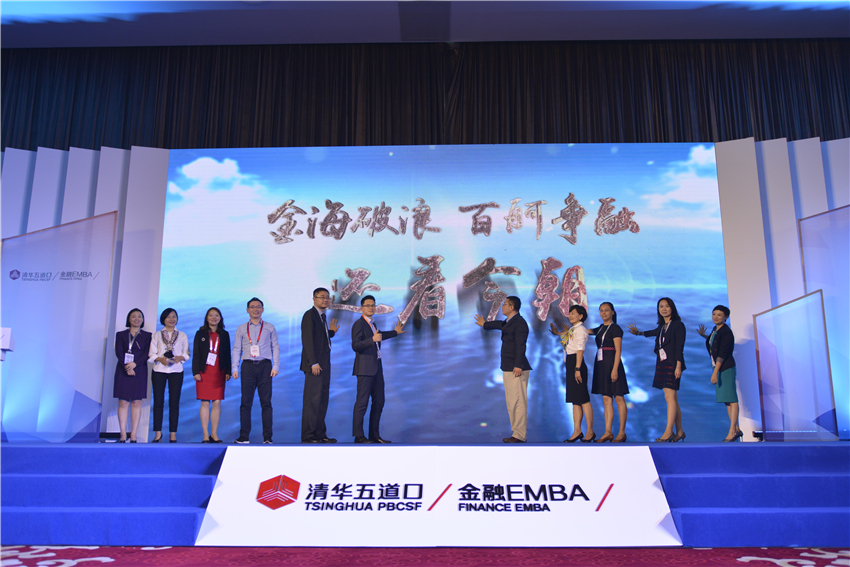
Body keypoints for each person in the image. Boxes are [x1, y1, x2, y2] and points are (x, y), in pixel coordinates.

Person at [475, 295, 533, 443]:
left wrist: (518, 365)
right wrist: (485, 324)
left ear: (512, 307)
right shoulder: (510, 322)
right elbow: (499, 324)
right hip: (508, 367)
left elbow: (521, 345)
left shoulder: (520, 323)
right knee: (512, 402)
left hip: (516, 368)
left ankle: (519, 435)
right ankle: (516, 433)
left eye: (505, 304)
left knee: (518, 402)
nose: (502, 306)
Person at [628, 297, 687, 442]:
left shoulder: (678, 325)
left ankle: (668, 432)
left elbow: (679, 347)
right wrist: (638, 333)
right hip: (662, 363)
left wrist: (678, 366)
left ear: (672, 308)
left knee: (670, 398)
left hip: (672, 364)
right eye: (661, 306)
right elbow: (653, 332)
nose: (664, 309)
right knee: (672, 398)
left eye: (667, 306)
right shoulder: (662, 326)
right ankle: (679, 431)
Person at [351, 295, 406, 443]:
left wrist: (395, 332)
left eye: (373, 305)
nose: (371, 308)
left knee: (379, 402)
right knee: (362, 403)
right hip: (364, 370)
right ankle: (359, 436)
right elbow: (355, 345)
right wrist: (372, 340)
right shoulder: (359, 324)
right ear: (361, 308)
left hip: (376, 369)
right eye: (367, 305)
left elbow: (379, 336)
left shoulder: (372, 324)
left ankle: (374, 436)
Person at [232, 297, 280, 444]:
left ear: (263, 310)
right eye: (252, 307)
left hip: (265, 366)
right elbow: (237, 349)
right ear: (247, 310)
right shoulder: (241, 328)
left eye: (258, 307)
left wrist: (276, 366)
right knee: (245, 403)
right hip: (247, 366)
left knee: (266, 403)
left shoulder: (270, 327)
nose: (255, 309)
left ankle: (268, 437)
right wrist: (235, 368)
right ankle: (244, 437)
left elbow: (275, 347)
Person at [550, 305, 595, 443]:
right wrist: (557, 333)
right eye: (570, 313)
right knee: (575, 400)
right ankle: (577, 431)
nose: (570, 315)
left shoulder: (580, 330)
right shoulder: (573, 329)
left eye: (573, 313)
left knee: (584, 399)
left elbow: (580, 350)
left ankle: (590, 431)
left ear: (581, 316)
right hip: (570, 362)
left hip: (576, 363)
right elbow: (569, 340)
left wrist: (577, 369)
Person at [300, 288, 339, 443]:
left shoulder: (322, 316)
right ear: (314, 299)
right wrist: (313, 363)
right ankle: (308, 436)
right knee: (312, 401)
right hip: (314, 366)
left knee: (322, 400)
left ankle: (320, 434)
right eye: (322, 297)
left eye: (327, 297)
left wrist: (331, 333)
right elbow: (308, 340)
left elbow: (320, 337)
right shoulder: (309, 315)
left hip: (324, 365)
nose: (325, 300)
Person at [697, 305, 741, 442]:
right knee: (727, 400)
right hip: (718, 367)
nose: (716, 317)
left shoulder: (726, 332)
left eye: (719, 315)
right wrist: (705, 336)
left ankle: (732, 431)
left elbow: (722, 353)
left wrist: (715, 373)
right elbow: (715, 342)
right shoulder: (716, 330)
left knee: (732, 399)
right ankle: (736, 429)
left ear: (725, 317)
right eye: (714, 314)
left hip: (725, 368)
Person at [589, 302, 629, 443]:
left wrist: (615, 369)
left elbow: (618, 351)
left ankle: (622, 433)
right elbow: (585, 331)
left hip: (613, 364)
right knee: (606, 399)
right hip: (601, 365)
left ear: (613, 312)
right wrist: (570, 328)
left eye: (606, 310)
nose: (604, 313)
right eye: (601, 310)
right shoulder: (600, 328)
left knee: (619, 398)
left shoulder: (616, 328)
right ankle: (608, 432)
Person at [149, 308, 190, 443]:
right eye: (168, 317)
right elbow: (151, 354)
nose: (172, 319)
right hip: (159, 370)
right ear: (163, 319)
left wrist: (180, 357)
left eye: (174, 316)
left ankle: (173, 433)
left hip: (176, 371)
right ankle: (158, 433)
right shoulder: (157, 335)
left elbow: (187, 354)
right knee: (158, 402)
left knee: (174, 402)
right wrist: (160, 359)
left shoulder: (182, 335)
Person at [192, 307, 231, 443]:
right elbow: (196, 353)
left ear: (220, 318)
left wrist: (228, 371)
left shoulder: (224, 334)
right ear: (206, 318)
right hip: (204, 371)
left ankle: (214, 434)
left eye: (216, 315)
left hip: (219, 371)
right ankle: (205, 434)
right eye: (211, 315)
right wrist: (195, 372)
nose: (214, 318)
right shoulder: (200, 333)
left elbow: (227, 354)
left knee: (217, 402)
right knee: (204, 402)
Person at [113, 308, 152, 443]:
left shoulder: (147, 335)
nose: (136, 319)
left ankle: (134, 434)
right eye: (133, 316)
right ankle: (123, 434)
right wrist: (127, 366)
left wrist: (135, 364)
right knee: (123, 402)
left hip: (139, 370)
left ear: (142, 319)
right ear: (129, 319)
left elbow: (147, 353)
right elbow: (118, 352)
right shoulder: (121, 334)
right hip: (123, 370)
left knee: (136, 402)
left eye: (139, 316)